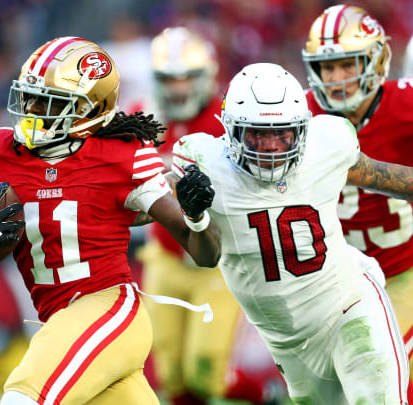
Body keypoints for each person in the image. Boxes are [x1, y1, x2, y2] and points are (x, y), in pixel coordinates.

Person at [0, 37, 222, 405]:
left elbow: (206, 255)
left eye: (49, 101)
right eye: (30, 96)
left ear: (88, 110)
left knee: (23, 399)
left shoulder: (121, 155)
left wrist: (197, 216)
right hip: (59, 321)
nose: (32, 109)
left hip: (110, 308)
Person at [170, 62, 410, 404]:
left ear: (302, 130)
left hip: (349, 305)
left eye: (282, 133)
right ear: (232, 130)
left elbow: (382, 177)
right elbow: (204, 256)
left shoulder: (326, 147)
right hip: (287, 342)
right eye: (258, 134)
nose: (271, 147)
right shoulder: (207, 165)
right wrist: (193, 214)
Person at [137, 26, 284, 405]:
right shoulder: (139, 119)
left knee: (205, 371)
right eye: (169, 78)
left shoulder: (229, 119)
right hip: (166, 257)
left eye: (188, 76)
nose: (179, 87)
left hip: (219, 261)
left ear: (207, 76)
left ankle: (264, 396)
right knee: (170, 375)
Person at [302, 5, 413, 397]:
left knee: (393, 383)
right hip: (340, 282)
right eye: (327, 68)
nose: (336, 79)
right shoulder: (300, 116)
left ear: (376, 59)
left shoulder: (406, 107)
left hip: (404, 271)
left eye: (348, 65)